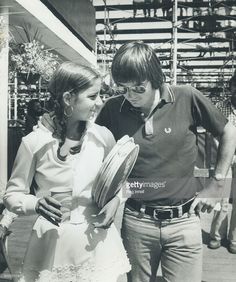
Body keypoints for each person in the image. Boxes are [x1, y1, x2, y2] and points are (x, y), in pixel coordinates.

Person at [95, 41, 236, 282]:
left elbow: (228, 131)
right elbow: (91, 145)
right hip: (137, 222)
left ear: (155, 78)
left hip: (185, 221)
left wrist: (216, 184)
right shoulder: (113, 108)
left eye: (138, 88)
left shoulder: (187, 97)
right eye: (124, 88)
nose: (130, 96)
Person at [3, 62, 131, 282]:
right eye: (92, 96)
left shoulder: (103, 137)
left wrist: (116, 201)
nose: (99, 103)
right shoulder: (33, 142)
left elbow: (121, 183)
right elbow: (12, 195)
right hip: (52, 244)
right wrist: (36, 204)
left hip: (98, 243)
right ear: (68, 99)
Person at [208, 74, 236, 254]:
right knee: (223, 198)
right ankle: (216, 236)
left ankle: (234, 239)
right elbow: (214, 134)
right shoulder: (221, 108)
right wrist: (227, 154)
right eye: (235, 86)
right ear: (231, 87)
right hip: (226, 159)